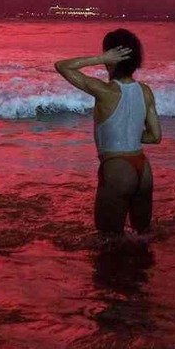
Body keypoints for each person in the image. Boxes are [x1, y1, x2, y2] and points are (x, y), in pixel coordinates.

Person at [55, 29, 162, 236]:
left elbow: (62, 66)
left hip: (117, 169)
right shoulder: (146, 91)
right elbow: (155, 136)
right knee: (144, 237)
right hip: (144, 170)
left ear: (112, 57)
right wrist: (127, 134)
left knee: (107, 242)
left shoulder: (105, 91)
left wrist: (100, 58)